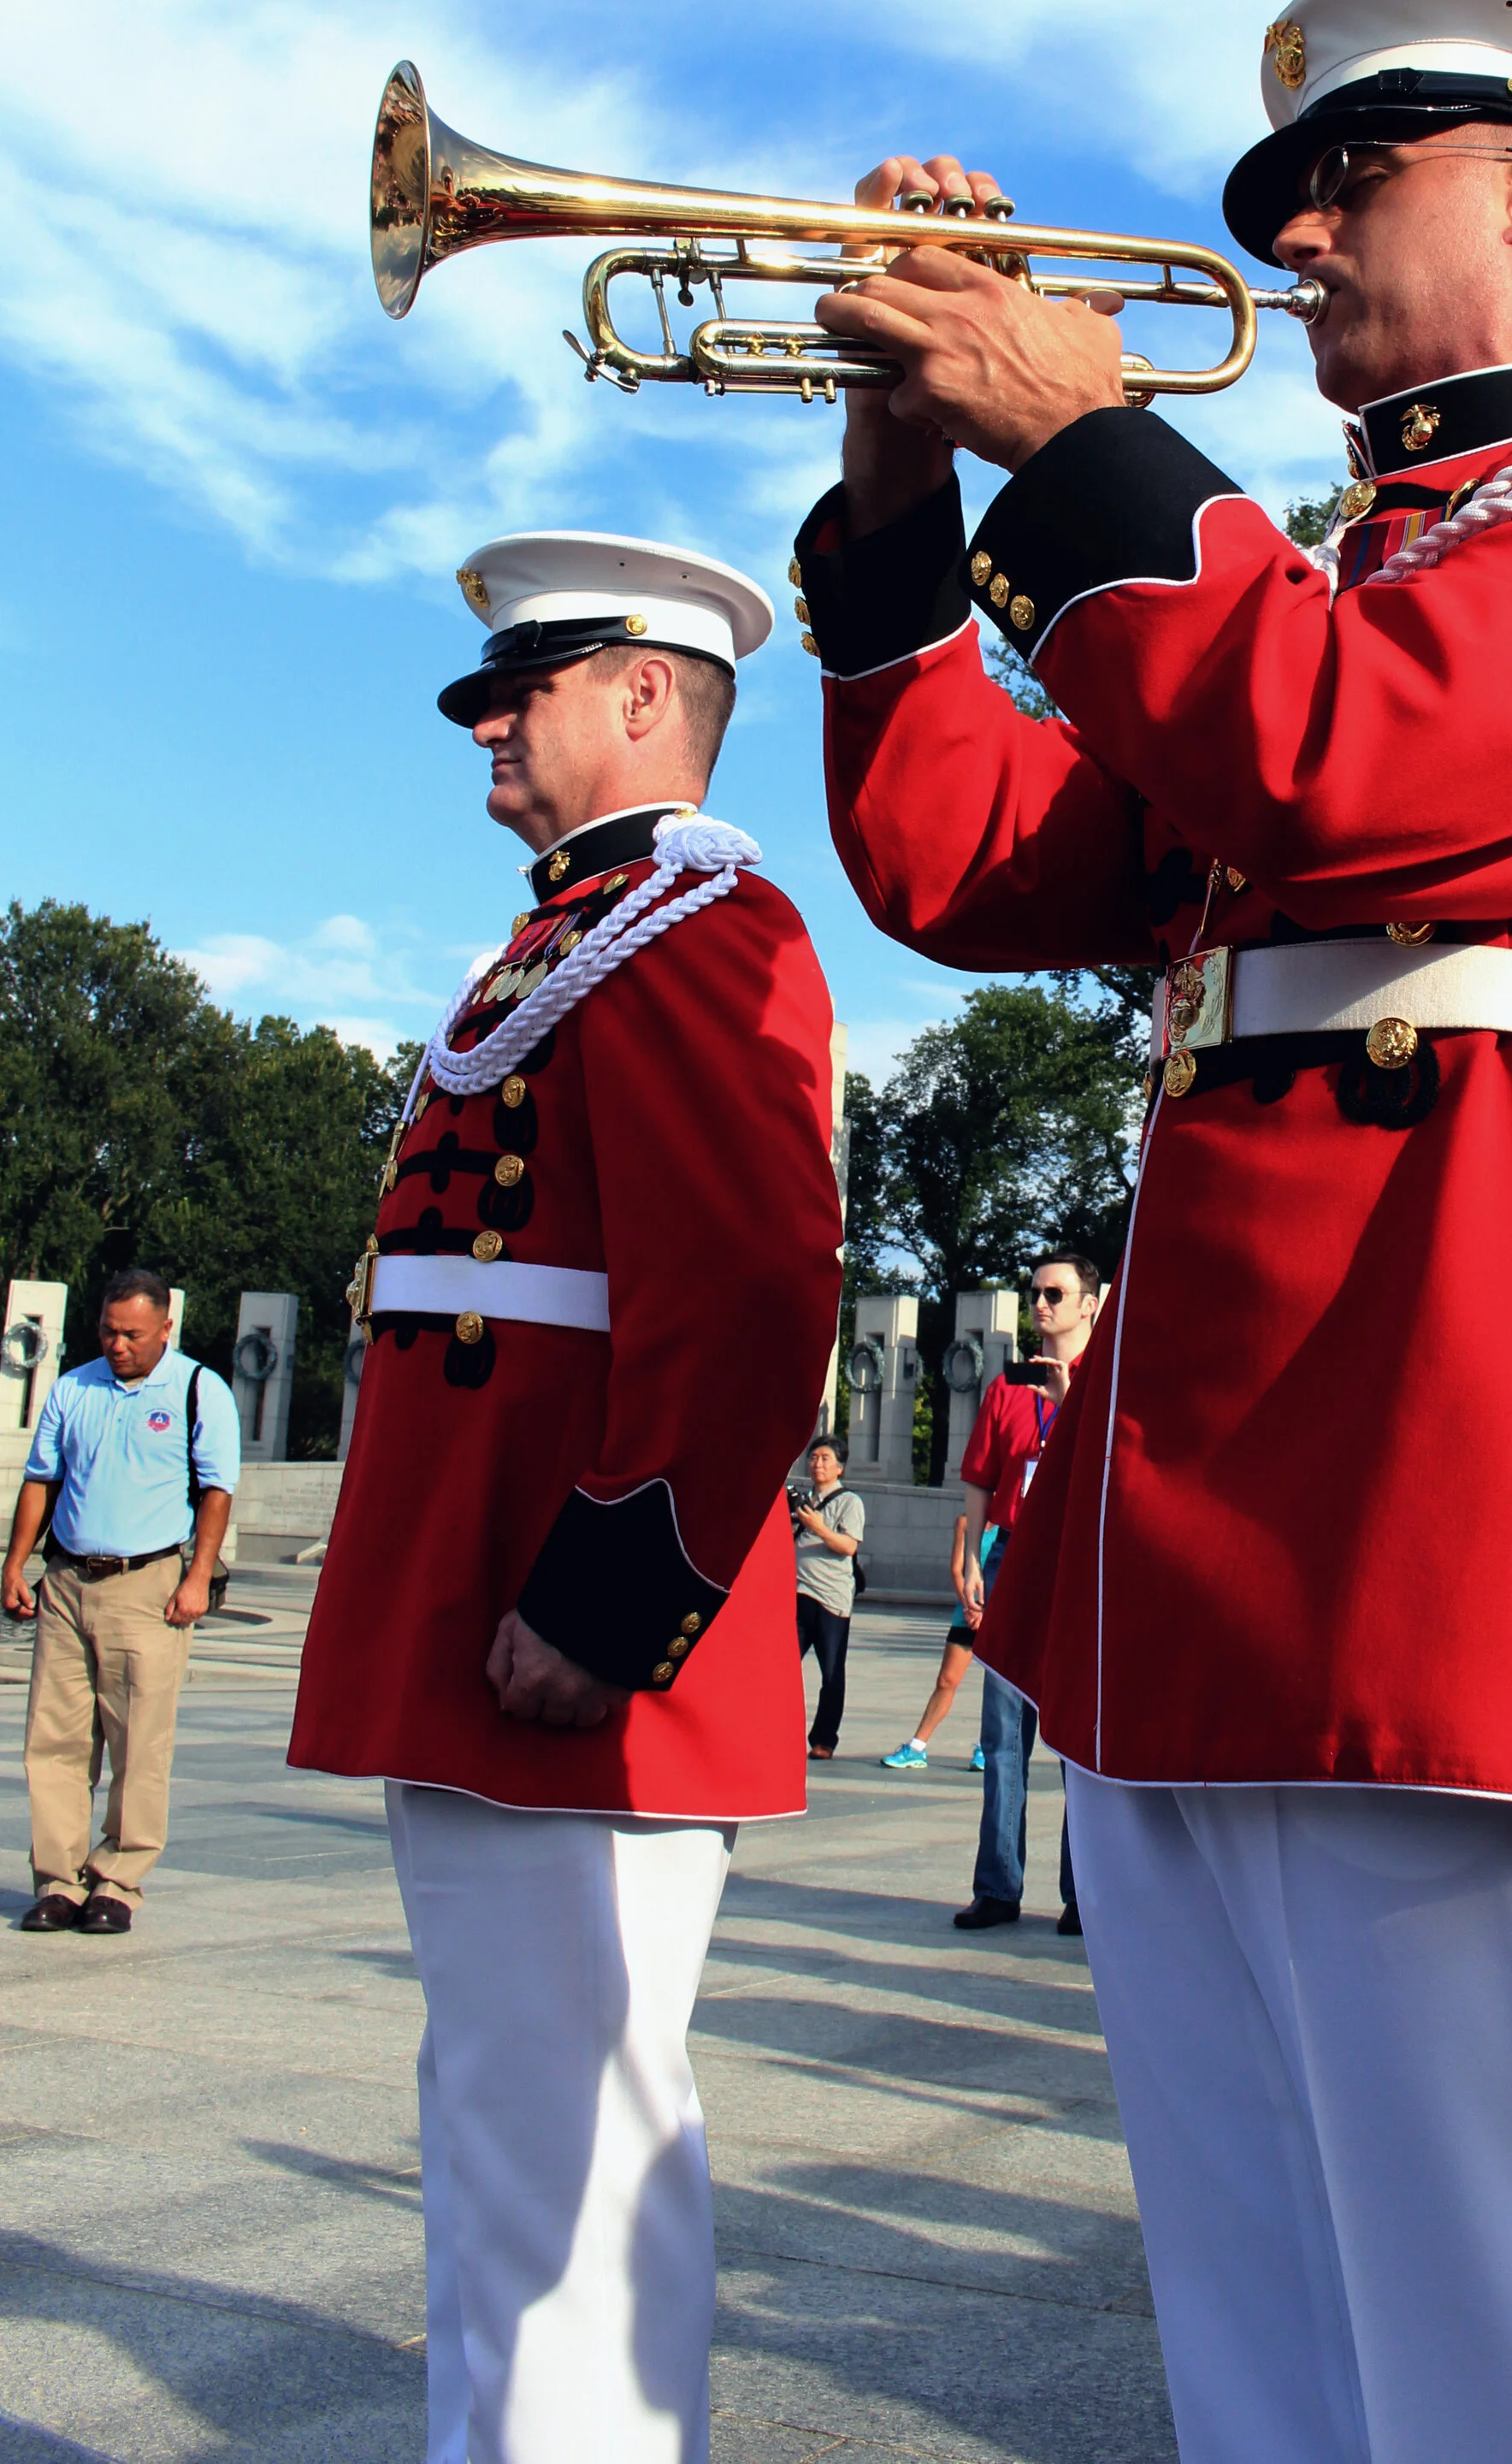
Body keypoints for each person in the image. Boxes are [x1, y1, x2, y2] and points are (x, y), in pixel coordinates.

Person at [796, 0, 1512, 2463]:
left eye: (1352, 172)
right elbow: (969, 855)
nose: (1287, 232)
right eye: (1283, 188)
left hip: (1450, 1500)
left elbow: (1352, 760)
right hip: (1197, 1531)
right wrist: (897, 492)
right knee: (1254, 2346)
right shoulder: (1327, 561)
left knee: (1495, 2360)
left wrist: (1074, 434)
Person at [286, 532, 844, 2464]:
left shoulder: (702, 922)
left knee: (566, 2148)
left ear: (643, 693)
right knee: (502, 2126)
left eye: (520, 691)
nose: (486, 727)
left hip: (571, 1616)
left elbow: (753, 1283)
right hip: (478, 1588)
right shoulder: (574, 932)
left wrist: (614, 1593)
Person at [3, 1267, 240, 1934]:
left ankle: (117, 1880)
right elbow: (41, 1479)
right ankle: (57, 1880)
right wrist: (16, 1563)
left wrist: (197, 1578)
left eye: (133, 1334)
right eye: (109, 1331)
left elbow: (217, 1490)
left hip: (148, 1584)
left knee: (139, 1742)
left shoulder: (199, 1390)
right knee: (53, 1739)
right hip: (68, 1581)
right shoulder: (73, 1388)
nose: (118, 1345)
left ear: (166, 1327)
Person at [953, 1256, 1101, 1935]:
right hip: (1012, 1553)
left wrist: (1070, 1401)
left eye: (1055, 1293)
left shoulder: (1103, 1382)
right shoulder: (1007, 1388)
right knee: (1003, 1731)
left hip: (1076, 1555)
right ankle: (997, 1885)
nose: (1041, 1303)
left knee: (1075, 1734)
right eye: (1034, 1292)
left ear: (1089, 1305)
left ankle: (1083, 1892)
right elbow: (979, 1480)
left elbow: (1113, 1463)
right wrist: (970, 1557)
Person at [880, 1508, 988, 1770]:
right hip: (967, 1613)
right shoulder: (965, 1522)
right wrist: (971, 1607)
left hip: (999, 1614)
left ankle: (988, 1747)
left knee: (998, 1687)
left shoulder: (1012, 1524)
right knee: (946, 1680)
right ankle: (917, 1747)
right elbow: (957, 1570)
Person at [792, 1433, 865, 1758]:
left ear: (840, 1467)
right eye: (813, 1457)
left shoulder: (849, 1502)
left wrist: (819, 1527)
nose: (817, 1464)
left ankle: (824, 1740)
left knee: (832, 1672)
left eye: (825, 1459)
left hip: (831, 1600)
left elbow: (848, 1546)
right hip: (797, 1594)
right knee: (783, 1667)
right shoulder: (803, 1499)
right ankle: (779, 1729)